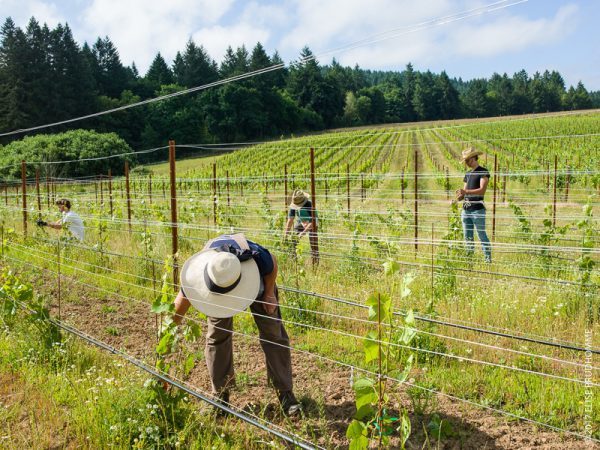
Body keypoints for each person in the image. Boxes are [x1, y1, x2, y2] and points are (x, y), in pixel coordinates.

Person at [172, 233, 301, 416]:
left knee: (273, 333)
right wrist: (165, 340)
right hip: (216, 290)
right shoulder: (196, 277)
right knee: (217, 335)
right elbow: (176, 312)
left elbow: (272, 261)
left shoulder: (257, 259)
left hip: (255, 281)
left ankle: (285, 394)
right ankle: (220, 396)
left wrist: (269, 293)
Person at [456, 147, 492, 263]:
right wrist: (460, 196)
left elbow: (482, 190)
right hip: (466, 210)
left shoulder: (483, 172)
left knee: (482, 235)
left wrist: (465, 192)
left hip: (477, 209)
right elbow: (465, 191)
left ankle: (488, 260)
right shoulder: (467, 174)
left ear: (473, 158)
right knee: (468, 237)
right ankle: (469, 260)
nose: (466, 163)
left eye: (467, 160)